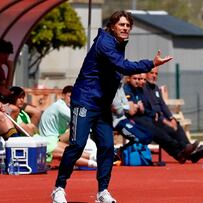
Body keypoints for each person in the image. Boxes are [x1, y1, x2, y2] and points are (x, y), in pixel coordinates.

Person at [51, 10, 173, 203]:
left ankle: (102, 192)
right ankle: (59, 188)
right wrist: (150, 63)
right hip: (84, 100)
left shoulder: (118, 44)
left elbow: (114, 71)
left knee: (107, 146)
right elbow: (122, 66)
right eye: (122, 25)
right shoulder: (105, 42)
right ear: (113, 26)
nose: (125, 28)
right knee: (77, 145)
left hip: (102, 106)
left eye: (128, 26)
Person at [124, 72, 197, 164]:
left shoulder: (139, 90)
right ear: (128, 79)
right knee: (158, 133)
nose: (138, 81)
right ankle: (182, 151)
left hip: (145, 117)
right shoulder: (127, 89)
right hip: (133, 120)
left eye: (140, 79)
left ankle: (185, 151)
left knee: (169, 127)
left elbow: (145, 108)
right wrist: (138, 107)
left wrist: (158, 115)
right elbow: (132, 111)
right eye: (135, 79)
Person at [142, 66, 203, 163]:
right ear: (146, 74)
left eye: (156, 74)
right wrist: (165, 120)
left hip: (161, 119)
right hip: (153, 120)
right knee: (168, 129)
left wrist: (171, 118)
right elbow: (151, 109)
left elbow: (163, 106)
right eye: (151, 73)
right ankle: (187, 153)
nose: (154, 76)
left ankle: (190, 150)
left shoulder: (156, 89)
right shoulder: (143, 88)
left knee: (176, 125)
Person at [38, 86, 97, 168]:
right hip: (48, 141)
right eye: (69, 96)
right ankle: (95, 162)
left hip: (54, 139)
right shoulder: (60, 106)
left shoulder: (63, 106)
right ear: (63, 95)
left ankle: (94, 157)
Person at [112, 80, 152, 145]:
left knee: (149, 135)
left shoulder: (120, 85)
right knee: (140, 138)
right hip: (116, 122)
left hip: (123, 118)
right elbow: (118, 109)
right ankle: (122, 152)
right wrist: (128, 106)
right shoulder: (110, 86)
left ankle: (123, 151)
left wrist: (126, 106)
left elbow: (126, 105)